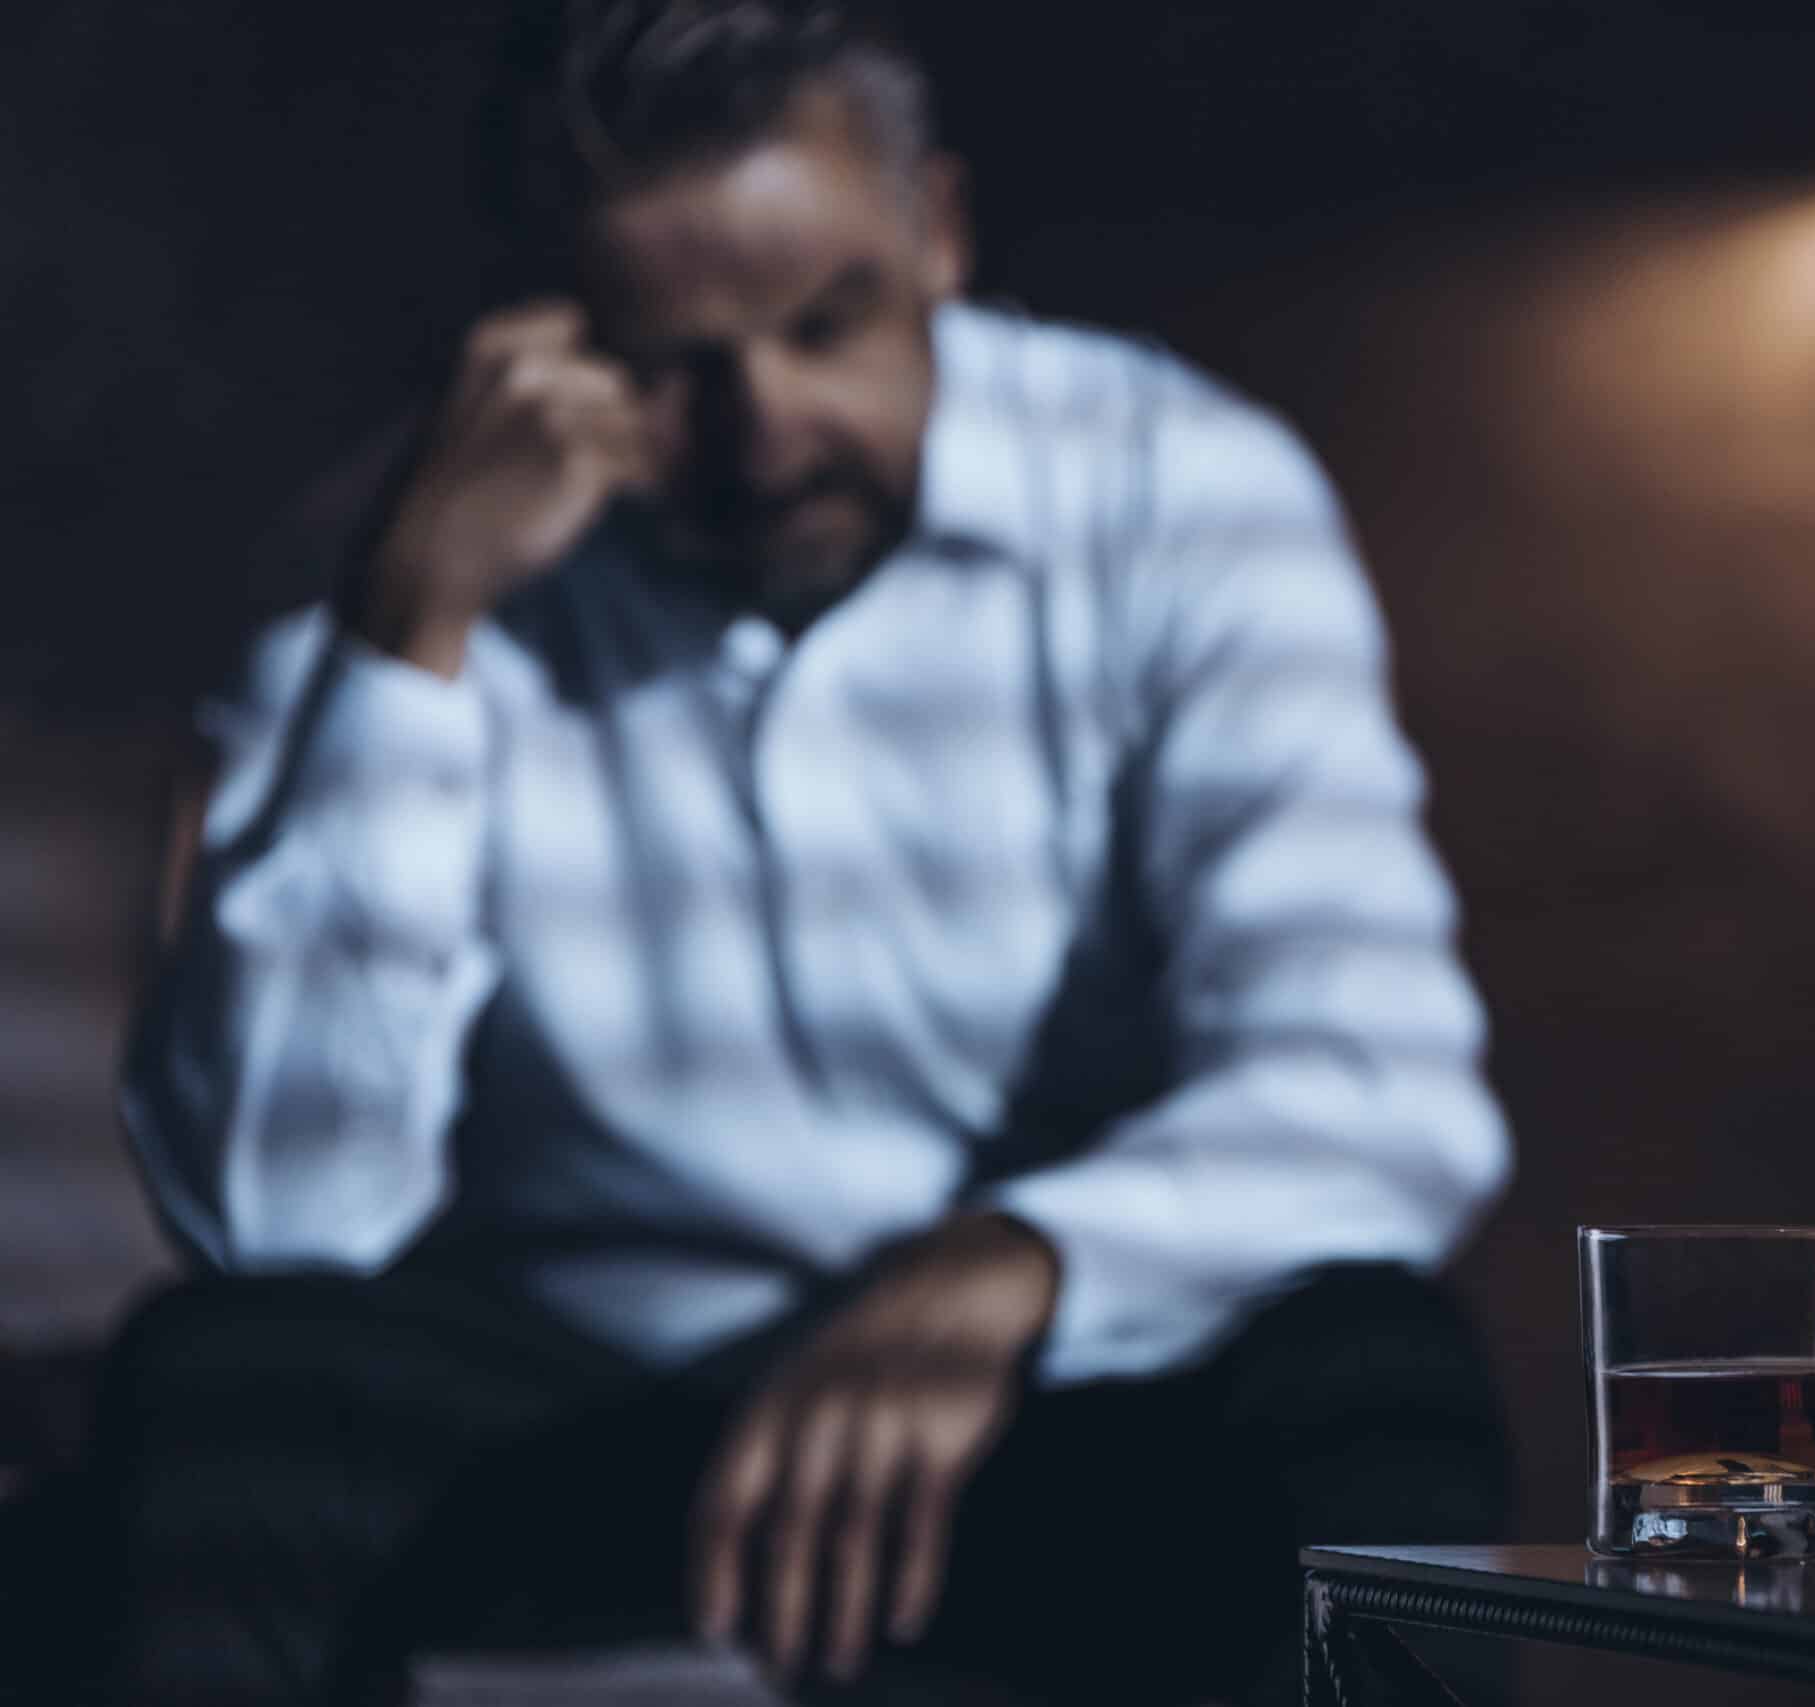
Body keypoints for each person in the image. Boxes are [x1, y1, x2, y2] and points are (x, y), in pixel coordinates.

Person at [74, 2, 1513, 1701]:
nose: (763, 437)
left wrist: (1016, 1263)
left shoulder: (1183, 496)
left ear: (943, 237)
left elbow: (1386, 1084)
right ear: (534, 334)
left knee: (1382, 1385)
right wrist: (411, 639)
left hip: (1058, 1395)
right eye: (664, 363)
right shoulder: (382, 568)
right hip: (593, 1409)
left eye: (829, 324)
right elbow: (277, 1221)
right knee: (222, 1391)